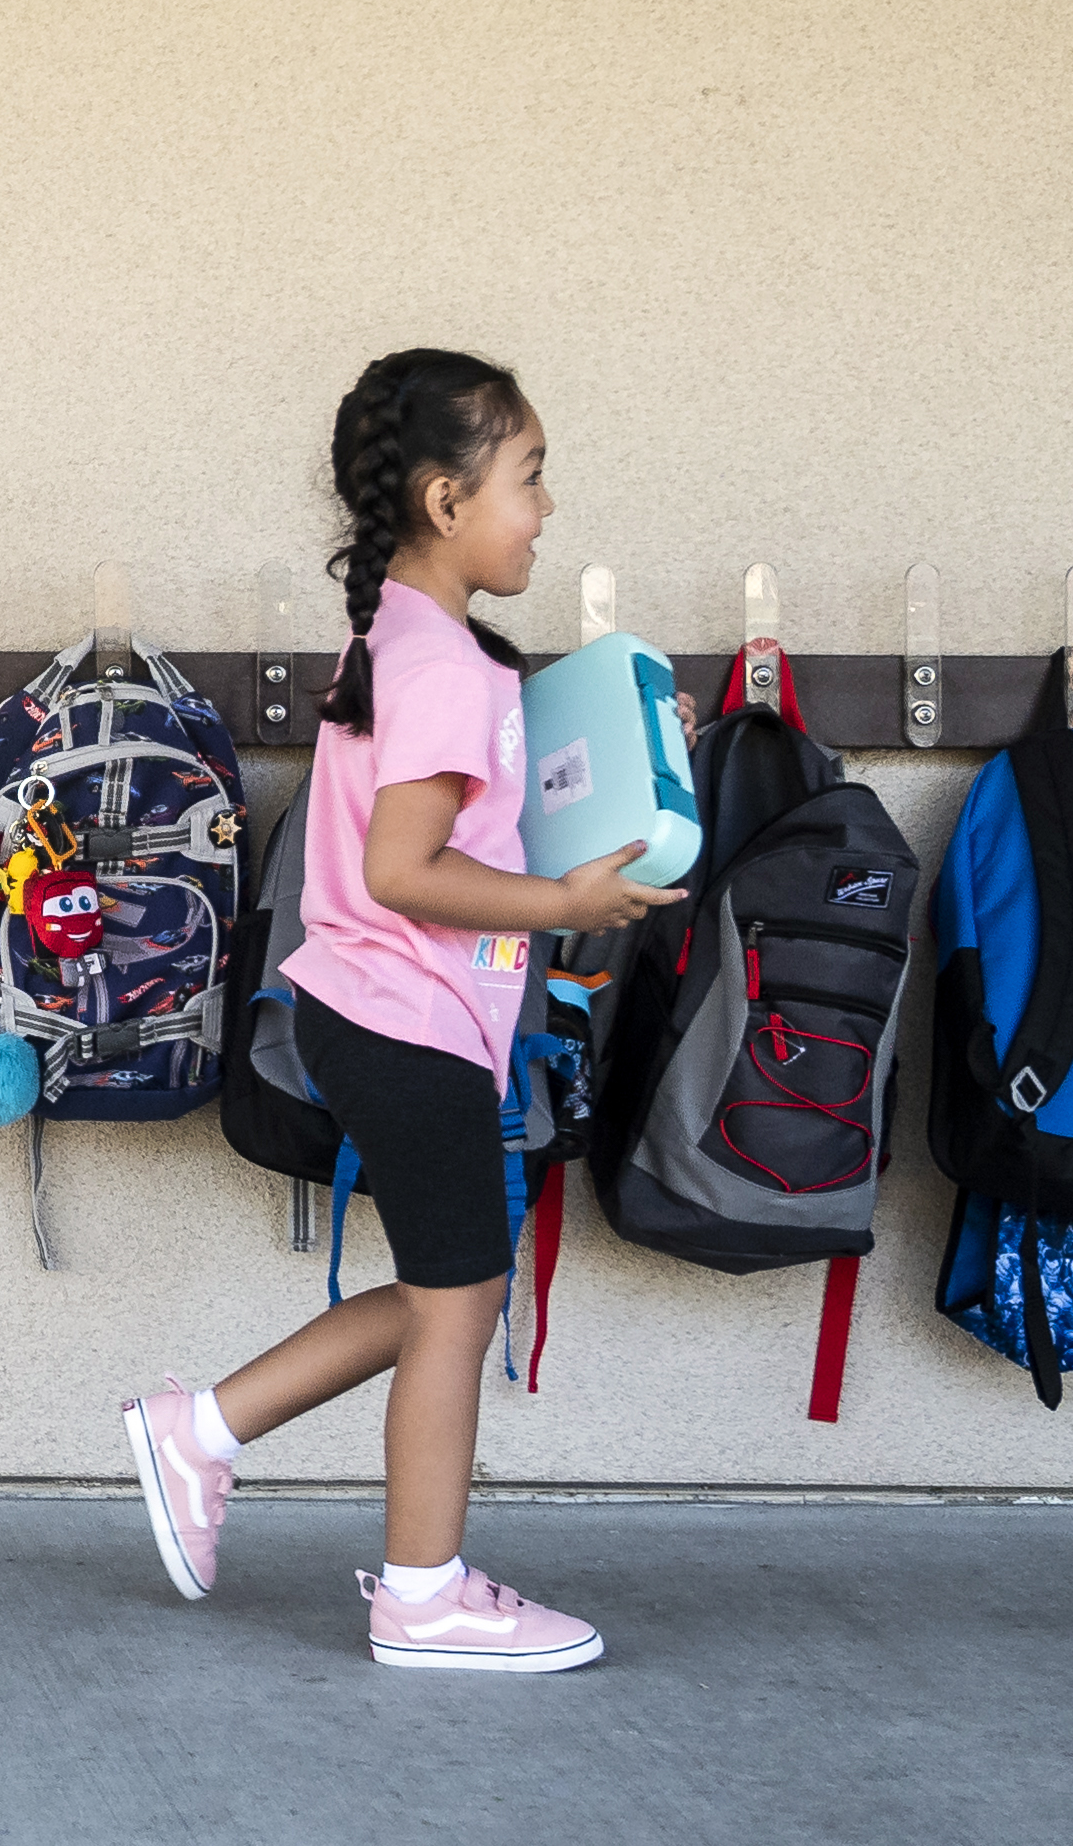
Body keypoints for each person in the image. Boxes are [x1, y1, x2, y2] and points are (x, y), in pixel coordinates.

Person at [120, 348, 678, 1673]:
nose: (542, 508)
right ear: (444, 496)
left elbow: (462, 818)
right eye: (525, 477)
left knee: (452, 1295)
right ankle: (420, 1591)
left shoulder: (417, 642)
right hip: (402, 1022)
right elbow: (400, 869)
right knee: (458, 1297)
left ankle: (200, 1426)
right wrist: (565, 904)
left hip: (383, 1017)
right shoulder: (439, 663)